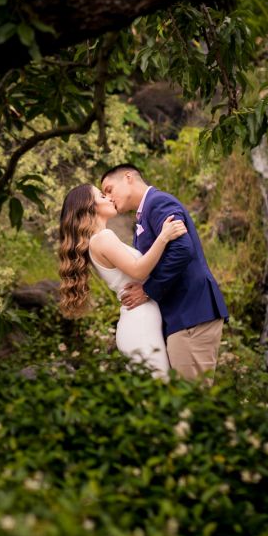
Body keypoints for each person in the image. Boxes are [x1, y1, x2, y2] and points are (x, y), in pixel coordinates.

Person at [101, 163, 228, 383]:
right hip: (181, 316)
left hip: (191, 313)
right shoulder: (144, 214)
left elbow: (182, 248)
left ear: (128, 177)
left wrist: (148, 290)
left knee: (191, 402)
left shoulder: (158, 202)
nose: (108, 197)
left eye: (109, 189)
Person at [58, 183, 188, 379]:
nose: (110, 198)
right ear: (89, 207)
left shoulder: (97, 241)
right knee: (157, 392)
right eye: (102, 196)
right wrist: (164, 237)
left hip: (140, 319)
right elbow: (138, 270)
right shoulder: (102, 238)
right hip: (140, 322)